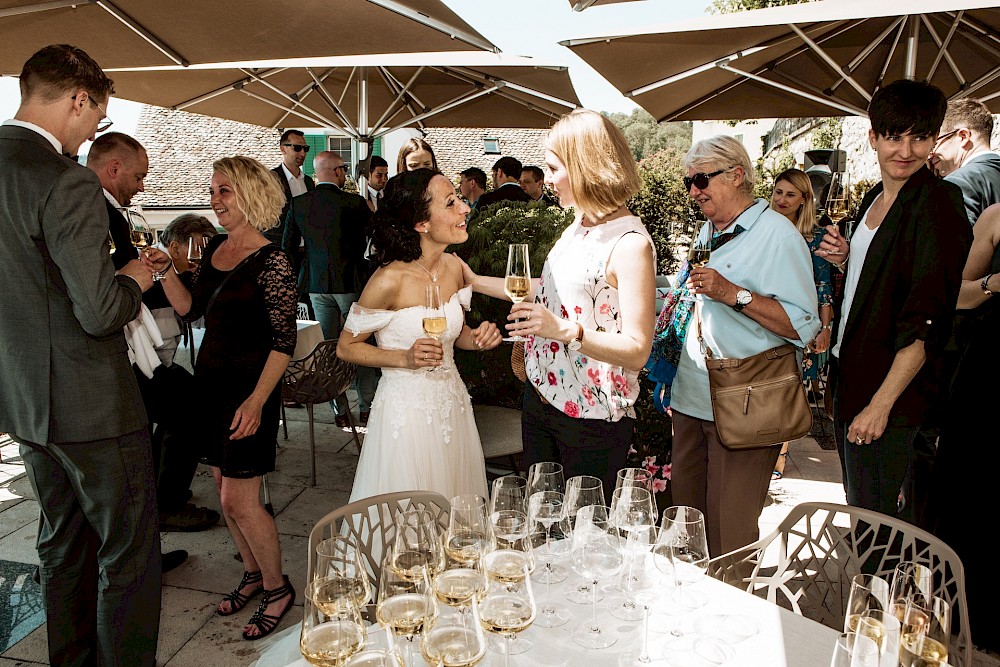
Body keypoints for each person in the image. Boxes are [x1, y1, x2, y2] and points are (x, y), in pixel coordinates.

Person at [0, 43, 161, 666]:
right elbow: (99, 311)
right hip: (90, 402)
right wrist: (135, 281)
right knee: (127, 553)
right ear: (78, 99)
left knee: (62, 544)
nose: (97, 129)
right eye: (99, 115)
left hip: (22, 399)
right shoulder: (66, 179)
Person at [461, 109, 656, 503]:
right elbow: (547, 288)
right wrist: (474, 280)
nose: (545, 179)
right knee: (541, 521)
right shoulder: (579, 225)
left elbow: (638, 350)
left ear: (585, 166)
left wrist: (566, 331)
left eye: (552, 167)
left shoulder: (631, 244)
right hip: (542, 396)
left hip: (591, 416)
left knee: (583, 540)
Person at [153, 155, 298, 641]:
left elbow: (284, 343)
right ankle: (254, 575)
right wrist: (163, 272)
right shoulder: (215, 245)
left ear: (251, 195)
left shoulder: (273, 259)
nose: (214, 201)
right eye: (213, 191)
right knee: (223, 492)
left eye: (224, 192)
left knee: (241, 499)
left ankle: (278, 589)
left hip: (247, 393)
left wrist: (258, 402)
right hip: (209, 387)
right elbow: (192, 310)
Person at [815, 79, 971, 521]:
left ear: (934, 140)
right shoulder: (872, 199)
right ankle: (871, 591)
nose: (905, 150)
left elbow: (927, 319)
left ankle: (882, 593)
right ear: (873, 138)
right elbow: (886, 279)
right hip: (853, 379)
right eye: (893, 136)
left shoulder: (939, 202)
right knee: (863, 514)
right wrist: (849, 259)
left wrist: (880, 406)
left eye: (919, 137)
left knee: (881, 530)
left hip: (892, 395)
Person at [671, 136, 820, 557]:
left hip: (747, 401)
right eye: (689, 182)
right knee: (685, 528)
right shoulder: (710, 230)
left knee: (728, 537)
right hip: (692, 396)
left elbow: (804, 324)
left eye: (701, 179)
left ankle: (728, 618)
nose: (694, 191)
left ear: (737, 175)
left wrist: (735, 294)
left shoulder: (777, 235)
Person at [337, 169, 502, 502]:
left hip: (453, 405)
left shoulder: (454, 267)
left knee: (455, 505)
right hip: (406, 414)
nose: (465, 209)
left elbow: (455, 338)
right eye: (451, 203)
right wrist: (403, 358)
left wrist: (479, 338)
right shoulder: (389, 280)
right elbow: (346, 346)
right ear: (421, 223)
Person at [928, 203, 1000, 651]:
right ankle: (968, 618)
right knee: (974, 491)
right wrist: (996, 283)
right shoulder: (995, 217)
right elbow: (954, 294)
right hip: (988, 379)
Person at [282, 150, 378, 426]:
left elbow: (287, 247)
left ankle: (339, 410)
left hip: (316, 284)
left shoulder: (299, 204)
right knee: (359, 344)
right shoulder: (354, 203)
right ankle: (367, 406)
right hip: (351, 282)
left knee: (329, 348)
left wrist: (310, 258)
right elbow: (376, 238)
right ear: (337, 171)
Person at [769, 168, 834, 481]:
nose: (782, 199)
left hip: (800, 327)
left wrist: (825, 329)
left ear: (804, 200)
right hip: (764, 322)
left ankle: (778, 458)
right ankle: (763, 451)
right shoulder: (761, 230)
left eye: (790, 194)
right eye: (779, 192)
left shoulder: (815, 239)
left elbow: (824, 289)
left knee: (789, 394)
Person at [928, 97, 1000, 225]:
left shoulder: (958, 184)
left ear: (963, 136)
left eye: (934, 145)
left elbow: (954, 242)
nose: (929, 155)